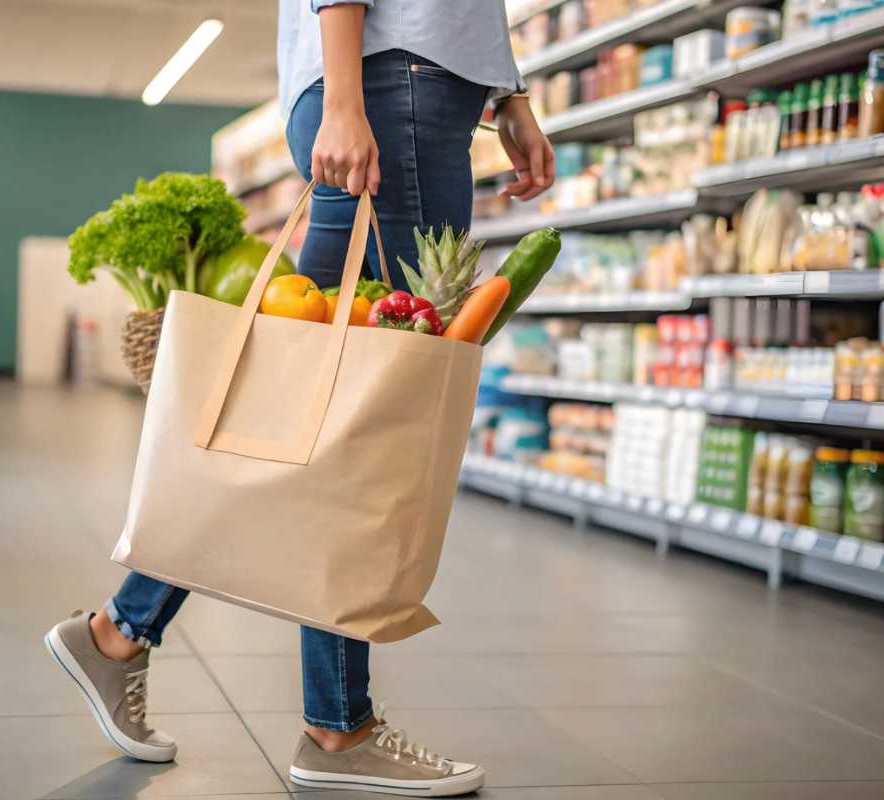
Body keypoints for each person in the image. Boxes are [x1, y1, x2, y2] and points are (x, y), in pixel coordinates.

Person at [45, 1, 554, 795]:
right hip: (394, 88)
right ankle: (336, 725)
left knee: (310, 401)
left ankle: (121, 631)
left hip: (415, 86)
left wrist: (508, 95)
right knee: (364, 410)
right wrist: (349, 103)